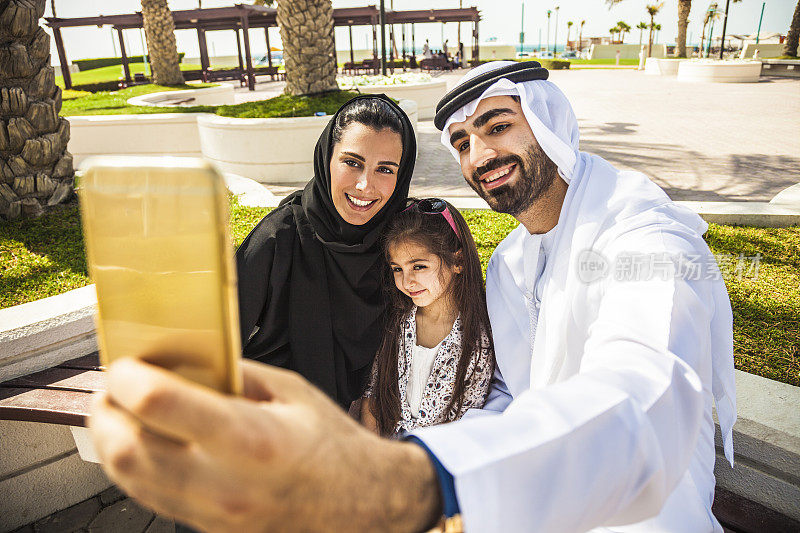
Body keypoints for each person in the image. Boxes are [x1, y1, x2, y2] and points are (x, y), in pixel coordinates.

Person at [90, 61, 737, 533]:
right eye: (462, 141)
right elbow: (514, 393)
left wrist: (410, 481)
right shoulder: (512, 262)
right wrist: (411, 454)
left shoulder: (643, 233)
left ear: (549, 121)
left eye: (498, 126)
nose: (480, 153)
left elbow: (646, 395)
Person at [235, 94, 416, 409]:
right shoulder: (279, 238)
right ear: (326, 159)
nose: (364, 185)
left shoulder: (402, 248)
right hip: (272, 423)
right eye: (352, 162)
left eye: (385, 169)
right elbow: (213, 346)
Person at [361, 198, 494, 437]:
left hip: (439, 460)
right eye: (397, 269)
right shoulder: (397, 322)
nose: (407, 281)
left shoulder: (478, 338)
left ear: (458, 261)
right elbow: (373, 397)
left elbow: (466, 426)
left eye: (419, 266)